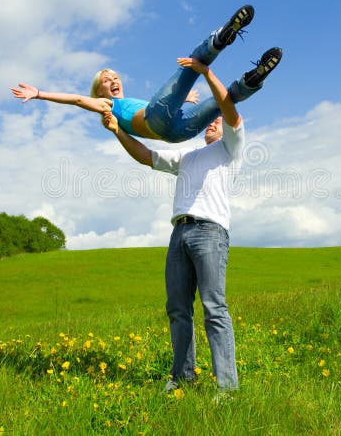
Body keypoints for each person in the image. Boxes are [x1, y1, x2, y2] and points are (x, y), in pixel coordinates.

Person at [101, 50, 273, 395]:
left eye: (215, 122)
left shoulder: (231, 148)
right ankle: (182, 378)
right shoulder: (188, 155)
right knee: (178, 310)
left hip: (210, 231)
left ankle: (226, 388)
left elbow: (227, 108)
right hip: (179, 233)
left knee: (214, 307)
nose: (211, 123)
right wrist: (118, 130)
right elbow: (145, 156)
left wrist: (206, 73)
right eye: (207, 122)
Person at [11, 5, 282, 143]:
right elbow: (77, 99)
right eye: (106, 81)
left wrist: (186, 101)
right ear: (100, 91)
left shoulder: (125, 106)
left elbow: (164, 110)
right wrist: (39, 94)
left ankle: (252, 80)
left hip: (177, 133)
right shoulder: (107, 105)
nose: (113, 81)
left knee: (225, 101)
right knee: (191, 65)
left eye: (114, 77)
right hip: (160, 119)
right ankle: (222, 37)